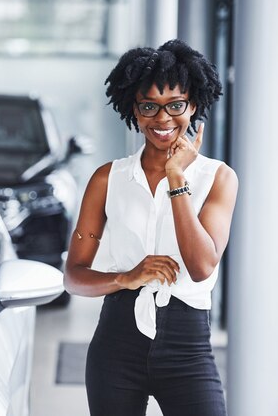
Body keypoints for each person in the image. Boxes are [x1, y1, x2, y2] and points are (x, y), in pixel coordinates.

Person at [64, 39, 238, 416]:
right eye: (150, 107)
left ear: (193, 105)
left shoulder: (218, 178)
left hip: (187, 349)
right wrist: (125, 278)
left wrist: (177, 179)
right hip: (115, 347)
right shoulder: (107, 178)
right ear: (135, 110)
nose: (163, 119)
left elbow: (201, 266)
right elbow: (74, 277)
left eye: (176, 105)